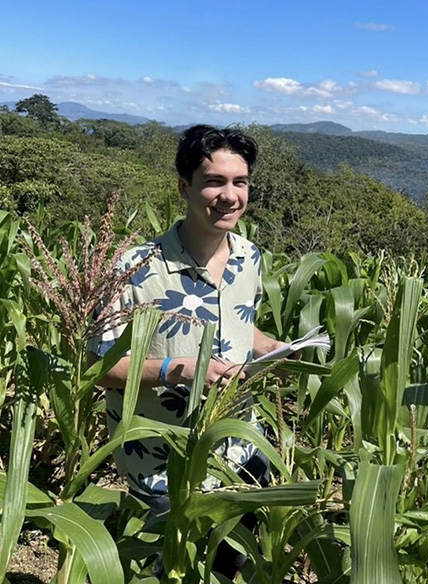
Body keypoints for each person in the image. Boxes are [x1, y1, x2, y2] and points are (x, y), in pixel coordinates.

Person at [88, 125, 288, 568]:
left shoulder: (249, 257)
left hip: (237, 452)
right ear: (185, 187)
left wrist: (274, 347)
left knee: (228, 566)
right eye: (214, 181)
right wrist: (174, 370)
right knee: (169, 570)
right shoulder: (134, 267)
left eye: (240, 182)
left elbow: (240, 325)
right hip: (163, 466)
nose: (230, 195)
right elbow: (98, 366)